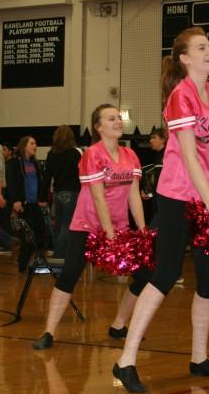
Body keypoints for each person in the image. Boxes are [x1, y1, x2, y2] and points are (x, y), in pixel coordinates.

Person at [114, 27, 209, 394]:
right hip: (177, 196)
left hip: (208, 197)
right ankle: (126, 361)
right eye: (202, 47)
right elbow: (189, 156)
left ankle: (199, 358)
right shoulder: (181, 95)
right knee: (165, 274)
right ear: (185, 58)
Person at [32, 104, 148, 349]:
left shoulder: (131, 156)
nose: (118, 121)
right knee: (70, 275)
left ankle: (119, 324)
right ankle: (48, 332)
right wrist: (108, 234)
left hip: (119, 229)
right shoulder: (92, 154)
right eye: (111, 118)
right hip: (88, 226)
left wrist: (142, 229)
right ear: (98, 127)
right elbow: (97, 197)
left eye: (119, 118)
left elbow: (134, 196)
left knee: (145, 276)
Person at [7, 136, 49, 272]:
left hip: (34, 204)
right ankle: (23, 265)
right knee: (28, 236)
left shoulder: (35, 164)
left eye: (35, 143)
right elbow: (12, 184)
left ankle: (32, 261)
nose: (35, 146)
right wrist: (15, 200)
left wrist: (41, 199)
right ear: (24, 146)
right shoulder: (15, 163)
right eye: (32, 143)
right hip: (23, 204)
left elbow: (39, 182)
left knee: (41, 233)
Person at [44, 125, 82, 258]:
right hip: (72, 193)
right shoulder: (76, 153)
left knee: (58, 225)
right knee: (67, 224)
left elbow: (47, 176)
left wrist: (43, 197)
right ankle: (60, 254)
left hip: (57, 194)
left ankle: (58, 251)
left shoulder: (51, 154)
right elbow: (81, 175)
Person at [141, 128, 166, 226]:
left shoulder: (167, 155)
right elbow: (156, 183)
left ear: (163, 139)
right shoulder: (157, 156)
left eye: (154, 138)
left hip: (164, 204)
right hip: (156, 202)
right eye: (150, 138)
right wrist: (149, 193)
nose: (150, 141)